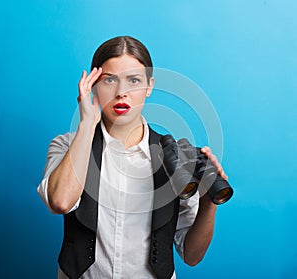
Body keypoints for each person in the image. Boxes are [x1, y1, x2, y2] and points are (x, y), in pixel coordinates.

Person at [37, 36, 228, 279]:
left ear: (149, 86)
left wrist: (209, 202)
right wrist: (87, 124)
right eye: (109, 80)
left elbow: (191, 256)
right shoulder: (66, 145)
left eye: (134, 81)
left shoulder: (177, 160)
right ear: (93, 85)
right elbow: (60, 202)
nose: (121, 93)